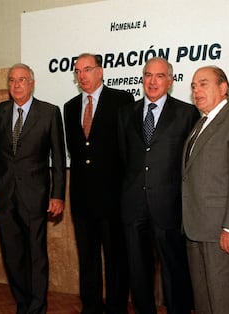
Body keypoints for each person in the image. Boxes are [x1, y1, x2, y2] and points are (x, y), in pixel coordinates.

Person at [118, 57, 198, 314]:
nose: (152, 81)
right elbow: (124, 158)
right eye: (148, 75)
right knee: (138, 272)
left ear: (171, 80)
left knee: (174, 270)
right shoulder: (125, 113)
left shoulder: (186, 113)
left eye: (159, 76)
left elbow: (190, 164)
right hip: (133, 207)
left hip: (169, 207)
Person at [0, 63, 66, 314]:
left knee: (36, 255)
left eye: (21, 80)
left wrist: (57, 194)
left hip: (36, 196)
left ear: (31, 83)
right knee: (12, 254)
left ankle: (37, 307)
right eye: (12, 80)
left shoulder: (49, 112)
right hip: (4, 195)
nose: (16, 85)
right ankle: (23, 304)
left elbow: (59, 158)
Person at [182, 66, 229, 313]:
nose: (197, 90)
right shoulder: (199, 125)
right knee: (205, 303)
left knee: (227, 303)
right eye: (194, 86)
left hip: (221, 234)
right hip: (196, 229)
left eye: (203, 84)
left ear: (223, 88)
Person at [63, 53, 133, 314]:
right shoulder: (69, 107)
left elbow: (127, 151)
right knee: (88, 258)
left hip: (114, 198)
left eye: (87, 69)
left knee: (116, 258)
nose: (82, 75)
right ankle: (91, 306)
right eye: (77, 71)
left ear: (100, 72)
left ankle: (116, 307)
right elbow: (77, 151)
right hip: (82, 199)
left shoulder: (121, 100)